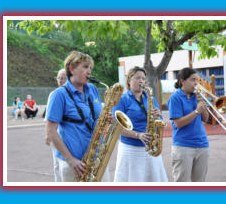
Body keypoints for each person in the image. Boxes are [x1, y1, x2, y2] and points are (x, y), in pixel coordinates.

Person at [45, 51, 111, 182]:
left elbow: (95, 118)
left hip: (97, 159)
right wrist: (71, 160)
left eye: (90, 68)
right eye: (85, 67)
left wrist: (105, 119)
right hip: (75, 165)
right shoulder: (59, 95)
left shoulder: (92, 89)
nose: (89, 72)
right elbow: (50, 131)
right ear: (72, 68)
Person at [112, 66, 168, 182]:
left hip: (151, 147)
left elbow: (160, 121)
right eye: (137, 78)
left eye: (143, 78)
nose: (141, 81)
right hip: (130, 149)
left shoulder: (150, 98)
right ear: (129, 80)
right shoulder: (122, 100)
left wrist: (158, 116)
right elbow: (116, 128)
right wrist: (138, 135)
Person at [167, 67, 209, 182]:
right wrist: (196, 111)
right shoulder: (175, 98)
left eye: (197, 80)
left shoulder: (197, 96)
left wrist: (201, 103)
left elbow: (206, 119)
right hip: (183, 146)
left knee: (199, 183)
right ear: (182, 81)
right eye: (192, 80)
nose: (196, 83)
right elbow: (178, 123)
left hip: (202, 145)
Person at [44, 69, 67, 182]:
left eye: (63, 77)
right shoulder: (53, 94)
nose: (60, 80)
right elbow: (48, 118)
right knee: (57, 164)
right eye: (58, 78)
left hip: (67, 134)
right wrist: (48, 134)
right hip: (56, 133)